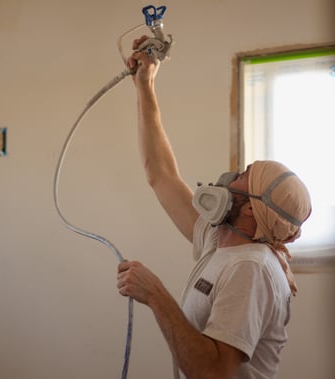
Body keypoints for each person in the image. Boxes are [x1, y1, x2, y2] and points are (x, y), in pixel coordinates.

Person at [116, 36, 312, 379]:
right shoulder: (220, 242)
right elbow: (161, 174)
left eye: (243, 177)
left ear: (252, 209)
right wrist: (145, 85)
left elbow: (213, 373)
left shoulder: (251, 268)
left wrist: (156, 294)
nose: (230, 177)